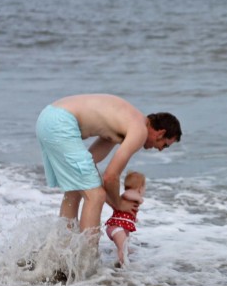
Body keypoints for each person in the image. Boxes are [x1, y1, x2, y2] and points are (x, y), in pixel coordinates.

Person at [35, 94, 181, 245]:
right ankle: (87, 260)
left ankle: (62, 249)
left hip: (48, 117)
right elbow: (110, 176)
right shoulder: (140, 130)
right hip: (60, 122)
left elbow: (91, 161)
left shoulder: (124, 123)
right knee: (96, 195)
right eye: (165, 145)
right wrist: (119, 204)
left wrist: (112, 200)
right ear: (161, 133)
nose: (161, 150)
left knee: (77, 188)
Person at [105, 171, 146, 268]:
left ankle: (121, 261)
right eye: (144, 188)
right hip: (117, 228)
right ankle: (123, 266)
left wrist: (134, 218)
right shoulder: (130, 194)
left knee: (124, 247)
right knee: (122, 249)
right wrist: (140, 199)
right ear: (140, 188)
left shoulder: (131, 198)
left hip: (118, 228)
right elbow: (126, 195)